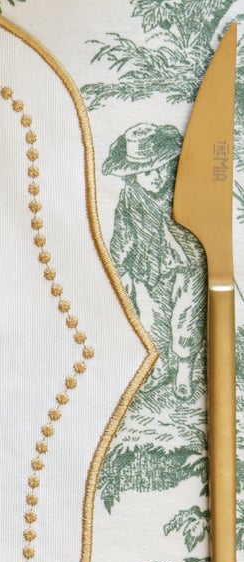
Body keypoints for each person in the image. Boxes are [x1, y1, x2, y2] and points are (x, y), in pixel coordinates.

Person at [104, 121, 204, 395]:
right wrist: (120, 267)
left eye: (161, 168)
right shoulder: (129, 198)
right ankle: (158, 366)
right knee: (150, 317)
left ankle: (184, 366)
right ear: (132, 175)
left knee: (186, 316)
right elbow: (123, 233)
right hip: (146, 267)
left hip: (186, 263)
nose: (156, 177)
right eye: (147, 172)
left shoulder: (179, 190)